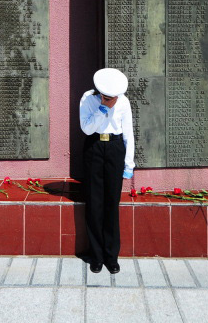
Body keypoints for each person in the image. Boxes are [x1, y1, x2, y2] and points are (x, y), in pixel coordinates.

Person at [79, 68, 135, 274]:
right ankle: (96, 256)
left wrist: (129, 164)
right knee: (94, 203)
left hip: (114, 148)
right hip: (94, 146)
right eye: (106, 95)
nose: (110, 98)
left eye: (112, 97)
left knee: (112, 203)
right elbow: (86, 128)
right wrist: (102, 108)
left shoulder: (124, 102)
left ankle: (111, 257)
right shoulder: (88, 99)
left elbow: (128, 133)